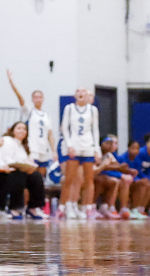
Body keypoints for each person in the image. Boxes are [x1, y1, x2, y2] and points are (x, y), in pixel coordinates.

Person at [7, 73, 58, 189]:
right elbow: (21, 99)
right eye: (35, 97)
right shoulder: (30, 111)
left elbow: (50, 134)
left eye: (40, 97)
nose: (38, 99)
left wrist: (53, 151)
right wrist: (12, 83)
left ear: (43, 99)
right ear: (32, 99)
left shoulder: (47, 115)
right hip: (33, 149)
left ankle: (38, 204)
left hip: (43, 150)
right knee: (30, 177)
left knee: (41, 179)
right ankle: (26, 204)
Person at [56, 87, 99, 219]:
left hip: (88, 146)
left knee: (89, 180)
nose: (81, 93)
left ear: (87, 96)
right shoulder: (69, 108)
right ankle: (63, 206)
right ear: (75, 95)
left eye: (83, 92)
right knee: (69, 179)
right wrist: (69, 145)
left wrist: (96, 149)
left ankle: (87, 207)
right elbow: (65, 128)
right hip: (74, 145)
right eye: (78, 91)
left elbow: (95, 130)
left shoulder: (93, 110)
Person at [0, 120, 45, 218]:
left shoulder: (23, 146)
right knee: (19, 175)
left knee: (36, 176)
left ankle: (33, 207)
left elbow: (25, 160)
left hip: (17, 171)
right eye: (19, 128)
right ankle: (15, 208)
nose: (22, 131)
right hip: (3, 172)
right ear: (13, 130)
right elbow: (3, 158)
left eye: (24, 129)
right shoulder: (7, 140)